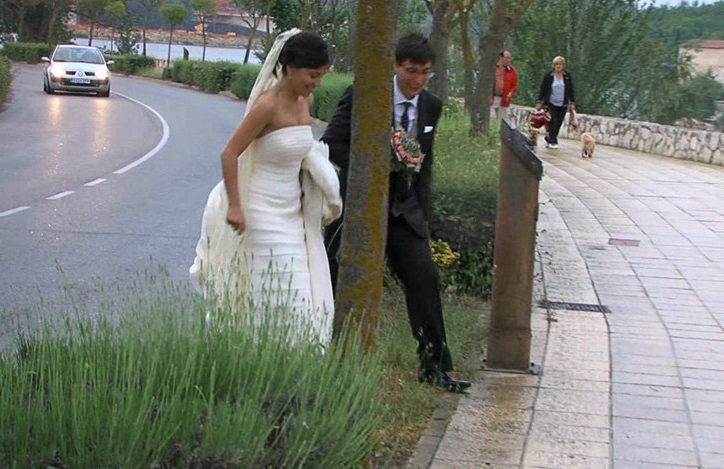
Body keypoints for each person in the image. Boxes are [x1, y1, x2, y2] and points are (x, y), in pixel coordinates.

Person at [322, 33, 470, 392]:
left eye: (425, 73)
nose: (418, 80)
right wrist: (380, 160)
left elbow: (426, 165)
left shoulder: (431, 105)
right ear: (395, 65)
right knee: (333, 281)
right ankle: (326, 359)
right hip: (359, 211)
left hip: (406, 212)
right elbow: (332, 143)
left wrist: (425, 217)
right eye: (411, 71)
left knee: (424, 282)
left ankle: (434, 365)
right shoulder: (365, 94)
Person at [189, 30, 342, 347]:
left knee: (300, 292)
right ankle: (253, 359)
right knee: (266, 293)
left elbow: (302, 151)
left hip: (292, 213)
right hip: (260, 213)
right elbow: (230, 154)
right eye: (312, 75)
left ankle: (297, 366)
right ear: (290, 67)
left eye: (321, 76)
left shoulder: (306, 102)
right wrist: (234, 206)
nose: (316, 83)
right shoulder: (267, 106)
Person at [537, 55, 575, 149]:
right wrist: (539, 101)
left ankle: (549, 138)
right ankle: (553, 141)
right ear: (554, 65)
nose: (559, 66)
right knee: (553, 121)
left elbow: (570, 90)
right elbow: (543, 89)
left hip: (563, 103)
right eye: (557, 64)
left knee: (558, 123)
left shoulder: (567, 76)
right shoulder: (549, 76)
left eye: (561, 64)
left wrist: (572, 102)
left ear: (563, 65)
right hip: (550, 103)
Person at [491, 50, 518, 123]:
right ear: (501, 57)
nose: (508, 60)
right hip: (493, 98)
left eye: (509, 58)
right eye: (506, 58)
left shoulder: (512, 71)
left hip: (504, 99)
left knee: (502, 121)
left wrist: (511, 93)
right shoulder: (494, 68)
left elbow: (514, 85)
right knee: (492, 118)